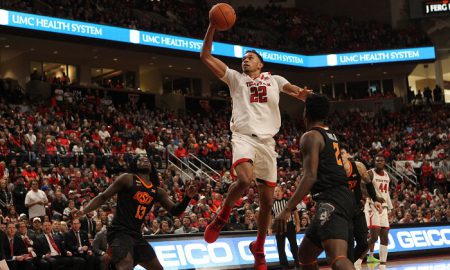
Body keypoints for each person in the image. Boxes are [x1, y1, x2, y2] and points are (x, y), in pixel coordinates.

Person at [200, 19, 311, 270]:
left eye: (250, 57)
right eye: (244, 58)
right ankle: (221, 217)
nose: (245, 60)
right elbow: (205, 55)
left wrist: (302, 94)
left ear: (260, 64)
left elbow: (293, 89)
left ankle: (259, 247)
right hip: (243, 137)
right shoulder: (235, 79)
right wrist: (213, 26)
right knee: (244, 180)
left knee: (268, 204)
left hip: (267, 143)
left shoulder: (275, 79)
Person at [272, 94, 355, 270]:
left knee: (338, 258)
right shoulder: (330, 134)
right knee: (305, 256)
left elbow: (310, 176)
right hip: (342, 196)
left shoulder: (310, 136)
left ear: (306, 112)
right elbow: (327, 162)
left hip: (331, 199)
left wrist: (288, 209)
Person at [73, 156, 198, 270]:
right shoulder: (127, 178)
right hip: (119, 231)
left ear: (151, 167)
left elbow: (176, 211)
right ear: (135, 164)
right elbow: (103, 197)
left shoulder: (157, 191)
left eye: (147, 160)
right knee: (125, 267)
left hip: (136, 235)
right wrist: (83, 211)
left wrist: (187, 197)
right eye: (139, 159)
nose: (144, 160)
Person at [340, 146, 383, 270]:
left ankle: (347, 264)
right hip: (343, 211)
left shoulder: (358, 166)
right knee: (348, 243)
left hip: (357, 209)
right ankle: (348, 266)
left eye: (342, 153)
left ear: (347, 154)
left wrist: (375, 200)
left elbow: (369, 183)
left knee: (364, 244)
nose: (341, 155)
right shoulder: (335, 171)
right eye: (338, 154)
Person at [364, 155, 392, 270]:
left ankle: (382, 264)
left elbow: (386, 193)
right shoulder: (370, 173)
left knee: (385, 236)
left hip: (384, 208)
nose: (379, 162)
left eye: (381, 161)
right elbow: (363, 188)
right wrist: (374, 198)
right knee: (374, 236)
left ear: (384, 162)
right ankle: (359, 259)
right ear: (374, 162)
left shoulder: (386, 175)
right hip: (372, 206)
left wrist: (390, 208)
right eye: (377, 161)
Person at [269, 186, 300, 269]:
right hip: (278, 227)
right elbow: (270, 217)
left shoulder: (288, 201)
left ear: (282, 192)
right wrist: (270, 228)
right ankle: (284, 266)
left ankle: (298, 263)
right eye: (275, 191)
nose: (277, 193)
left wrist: (297, 225)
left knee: (294, 246)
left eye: (278, 191)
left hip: (289, 225)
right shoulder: (272, 204)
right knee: (280, 247)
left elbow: (295, 213)